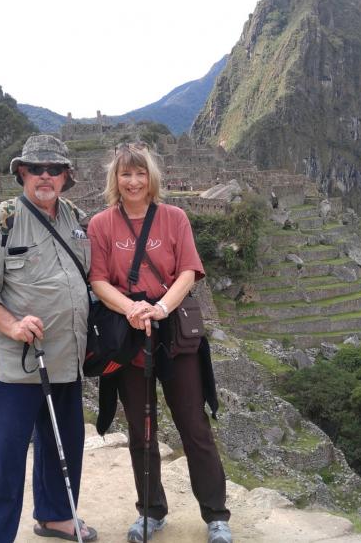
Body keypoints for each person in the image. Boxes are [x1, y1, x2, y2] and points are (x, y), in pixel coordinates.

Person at [87, 142, 232, 543]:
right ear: (114, 180)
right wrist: (132, 309)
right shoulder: (102, 225)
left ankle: (216, 515)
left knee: (193, 424)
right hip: (128, 333)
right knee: (141, 428)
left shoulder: (174, 218)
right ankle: (150, 512)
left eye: (140, 173)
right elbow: (98, 280)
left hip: (172, 331)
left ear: (152, 178)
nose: (133, 182)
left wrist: (162, 308)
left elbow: (188, 270)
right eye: (125, 174)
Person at [0, 134, 96, 543]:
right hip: (18, 363)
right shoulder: (1, 221)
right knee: (4, 455)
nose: (45, 176)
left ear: (65, 176)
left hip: (66, 359)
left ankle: (55, 516)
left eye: (54, 169)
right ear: (21, 172)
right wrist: (13, 326)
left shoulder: (76, 219)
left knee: (64, 444)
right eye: (36, 168)